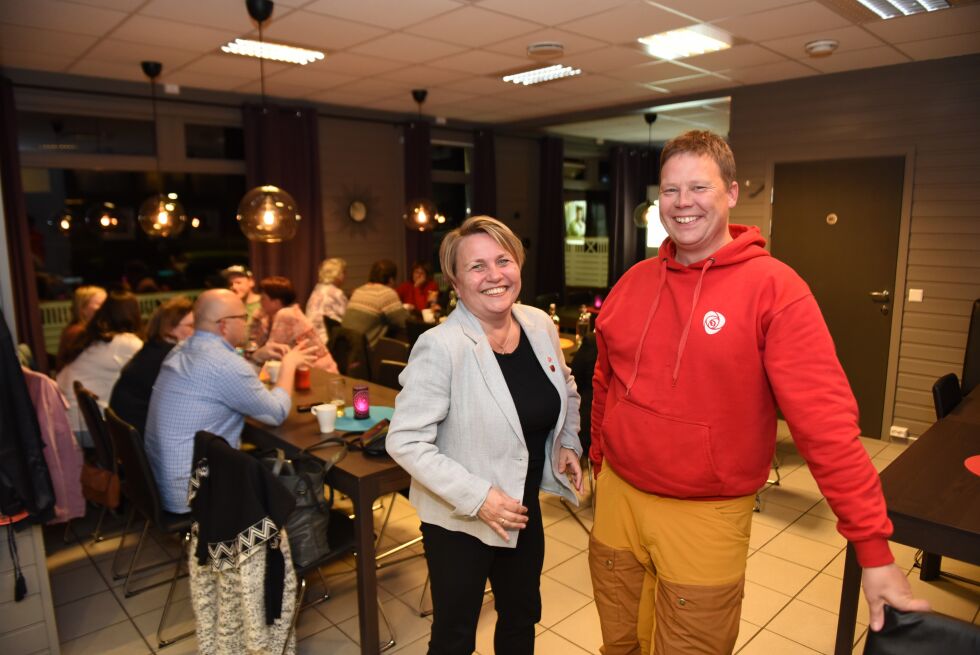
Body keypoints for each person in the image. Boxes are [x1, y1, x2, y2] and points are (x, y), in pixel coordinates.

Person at [588, 130, 928, 654]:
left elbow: (826, 425)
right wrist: (599, 457)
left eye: (698, 187)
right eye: (670, 191)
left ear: (731, 192)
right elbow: (606, 379)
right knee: (619, 643)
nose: (682, 204)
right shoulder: (634, 282)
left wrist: (873, 549)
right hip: (619, 500)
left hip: (707, 512)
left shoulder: (776, 289)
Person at [386, 216, 583, 655]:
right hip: (460, 521)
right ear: (455, 281)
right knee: (455, 636)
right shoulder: (442, 345)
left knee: (520, 618)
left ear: (519, 266)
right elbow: (405, 440)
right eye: (477, 267)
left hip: (523, 507)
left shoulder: (537, 324)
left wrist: (567, 440)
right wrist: (479, 497)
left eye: (503, 260)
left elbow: (565, 387)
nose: (494, 275)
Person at [143, 289, 315, 514]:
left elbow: (233, 390)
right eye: (243, 318)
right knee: (281, 482)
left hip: (160, 483)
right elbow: (276, 414)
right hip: (195, 490)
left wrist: (255, 359)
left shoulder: (181, 349)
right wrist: (289, 365)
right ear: (224, 325)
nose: (247, 324)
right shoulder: (224, 363)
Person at [56, 290, 143, 447]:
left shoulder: (95, 338)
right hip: (82, 428)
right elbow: (152, 375)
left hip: (66, 420)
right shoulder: (127, 342)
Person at [109, 296, 194, 437]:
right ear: (170, 329)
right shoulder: (170, 358)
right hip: (146, 441)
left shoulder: (154, 349)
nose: (198, 331)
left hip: (129, 439)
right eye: (192, 326)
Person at [249, 276, 338, 373]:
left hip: (321, 374)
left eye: (263, 298)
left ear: (276, 302)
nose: (260, 302)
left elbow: (270, 353)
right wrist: (257, 321)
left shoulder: (287, 314)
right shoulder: (270, 317)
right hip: (306, 372)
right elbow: (256, 344)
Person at [342, 259, 410, 347]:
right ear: (391, 279)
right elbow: (404, 322)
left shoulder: (359, 290)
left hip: (347, 348)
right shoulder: (386, 293)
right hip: (365, 351)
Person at [56, 285, 106, 369]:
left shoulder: (82, 330)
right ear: (82, 309)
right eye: (100, 305)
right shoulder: (78, 333)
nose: (105, 309)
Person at [305, 257, 348, 344]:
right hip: (329, 339)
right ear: (338, 275)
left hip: (311, 338)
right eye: (344, 272)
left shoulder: (316, 291)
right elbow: (346, 318)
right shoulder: (336, 293)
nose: (345, 276)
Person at [221, 265, 261, 330]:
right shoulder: (230, 307)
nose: (234, 287)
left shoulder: (264, 304)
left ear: (251, 282)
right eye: (231, 284)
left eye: (238, 283)